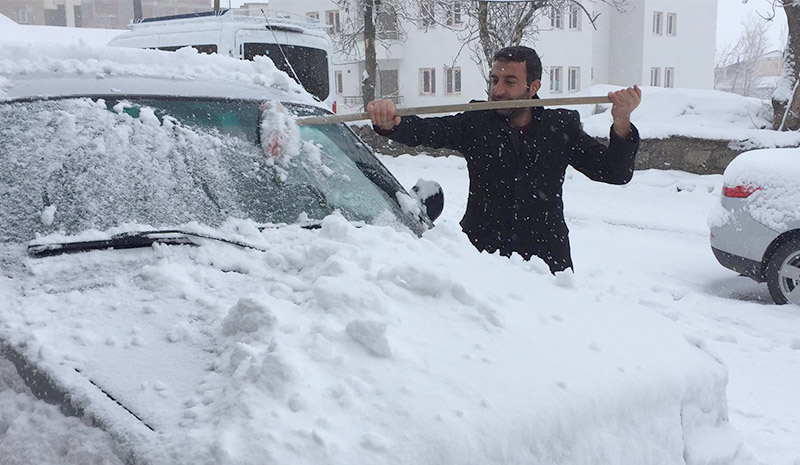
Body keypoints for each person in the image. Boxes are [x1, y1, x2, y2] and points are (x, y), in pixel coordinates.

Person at [367, 46, 642, 273]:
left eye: (509, 82)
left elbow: (614, 172)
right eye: (494, 80)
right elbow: (427, 131)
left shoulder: (560, 127)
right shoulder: (477, 122)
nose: (497, 91)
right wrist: (391, 123)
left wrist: (621, 123)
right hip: (481, 259)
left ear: (533, 87)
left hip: (546, 265)